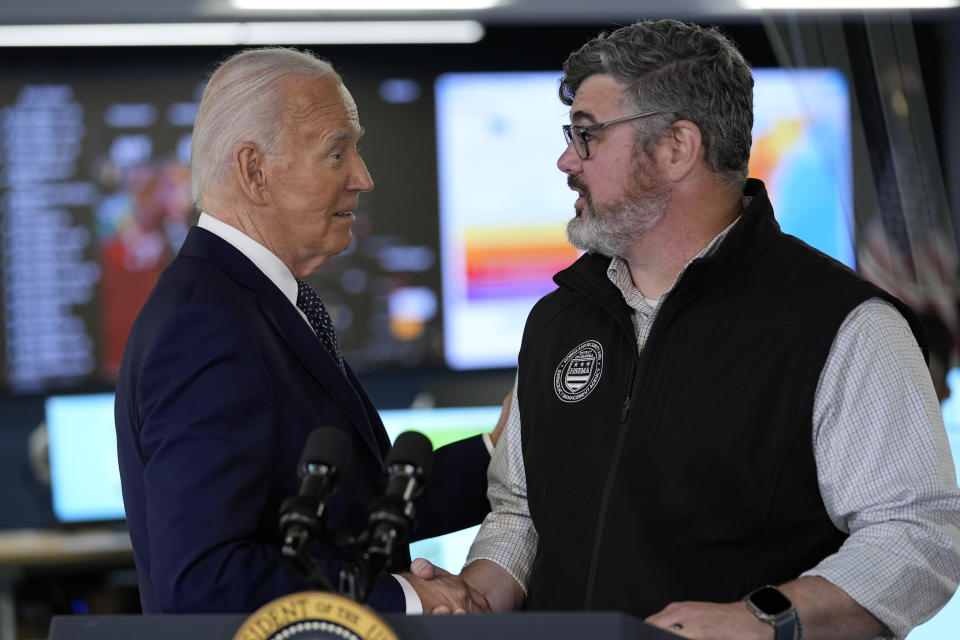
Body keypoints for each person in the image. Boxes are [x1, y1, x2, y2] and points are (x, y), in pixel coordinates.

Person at [410, 18, 960, 639]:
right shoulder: (558, 319)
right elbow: (521, 512)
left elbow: (919, 531)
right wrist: (480, 594)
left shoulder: (844, 326)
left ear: (677, 147)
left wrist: (765, 620)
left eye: (586, 136)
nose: (566, 160)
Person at [114, 47, 498, 615]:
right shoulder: (206, 327)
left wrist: (504, 453)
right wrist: (406, 597)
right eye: (336, 152)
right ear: (254, 171)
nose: (363, 178)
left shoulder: (249, 301)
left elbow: (350, 509)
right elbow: (203, 582)